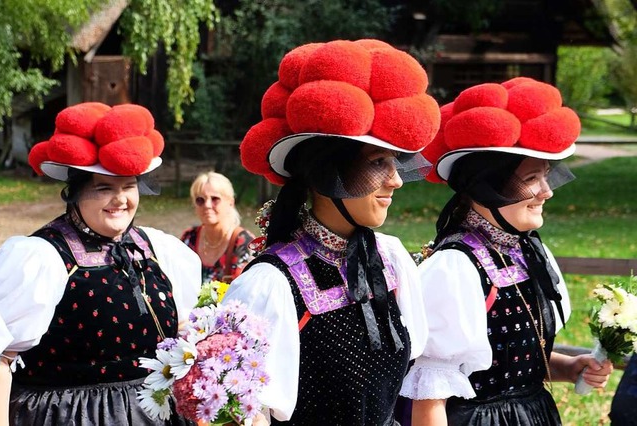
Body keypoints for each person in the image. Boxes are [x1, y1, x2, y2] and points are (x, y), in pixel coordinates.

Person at [222, 39, 441, 425]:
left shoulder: (390, 260)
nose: (396, 181)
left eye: (395, 163)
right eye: (378, 163)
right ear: (330, 174)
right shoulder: (271, 284)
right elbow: (247, 414)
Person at [398, 78, 614, 425]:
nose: (547, 192)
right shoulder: (453, 268)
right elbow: (430, 397)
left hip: (534, 414)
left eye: (546, 176)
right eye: (532, 179)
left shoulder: (527, 253)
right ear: (489, 186)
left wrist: (567, 366)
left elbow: (510, 363)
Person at [0, 102, 201, 425]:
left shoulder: (158, 249)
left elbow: (180, 334)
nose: (120, 199)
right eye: (104, 188)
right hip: (71, 416)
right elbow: (0, 358)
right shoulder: (42, 258)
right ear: (75, 193)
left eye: (129, 186)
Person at [181, 171, 255, 283]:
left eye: (215, 199)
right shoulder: (189, 237)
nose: (207, 205)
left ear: (231, 202)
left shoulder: (244, 243)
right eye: (200, 200)